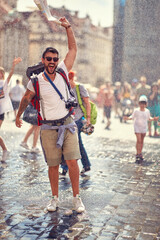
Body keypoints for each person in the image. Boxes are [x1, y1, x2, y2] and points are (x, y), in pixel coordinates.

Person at [15, 17, 85, 213]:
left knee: (72, 162)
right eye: (49, 59)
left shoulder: (63, 70)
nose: (53, 62)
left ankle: (76, 198)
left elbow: (73, 49)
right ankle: (54, 199)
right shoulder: (36, 80)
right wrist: (18, 116)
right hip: (47, 127)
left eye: (55, 59)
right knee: (53, 165)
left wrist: (68, 27)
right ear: (43, 60)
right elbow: (26, 99)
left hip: (67, 123)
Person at [61, 70, 91, 175]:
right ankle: (85, 165)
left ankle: (65, 168)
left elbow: (87, 103)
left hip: (77, 119)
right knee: (70, 143)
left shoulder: (79, 87)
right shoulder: (64, 88)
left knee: (72, 143)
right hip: (66, 119)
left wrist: (88, 118)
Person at [124, 95, 159, 164]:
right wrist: (127, 118)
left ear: (146, 104)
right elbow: (132, 117)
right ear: (139, 103)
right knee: (139, 140)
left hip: (144, 127)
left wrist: (154, 119)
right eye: (141, 103)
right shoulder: (136, 110)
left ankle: (140, 153)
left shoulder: (147, 111)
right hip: (137, 127)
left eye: (144, 103)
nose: (142, 105)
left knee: (142, 141)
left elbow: (149, 118)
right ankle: (138, 153)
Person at [0, 57, 22, 160]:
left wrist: (13, 65)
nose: (0, 75)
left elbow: (10, 75)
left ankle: (5, 150)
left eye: (1, 73)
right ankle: (5, 150)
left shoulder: (4, 83)